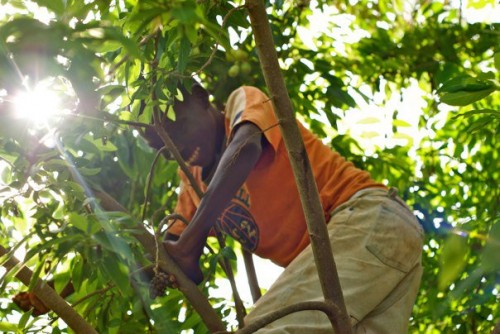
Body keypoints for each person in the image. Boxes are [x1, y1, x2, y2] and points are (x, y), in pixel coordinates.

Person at [146, 82, 424, 333]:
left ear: (202, 98)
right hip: (377, 250)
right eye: (166, 148)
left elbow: (246, 148)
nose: (178, 147)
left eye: (178, 127)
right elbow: (173, 246)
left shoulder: (240, 107)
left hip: (366, 219)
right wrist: (152, 262)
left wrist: (188, 246)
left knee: (262, 330)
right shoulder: (192, 179)